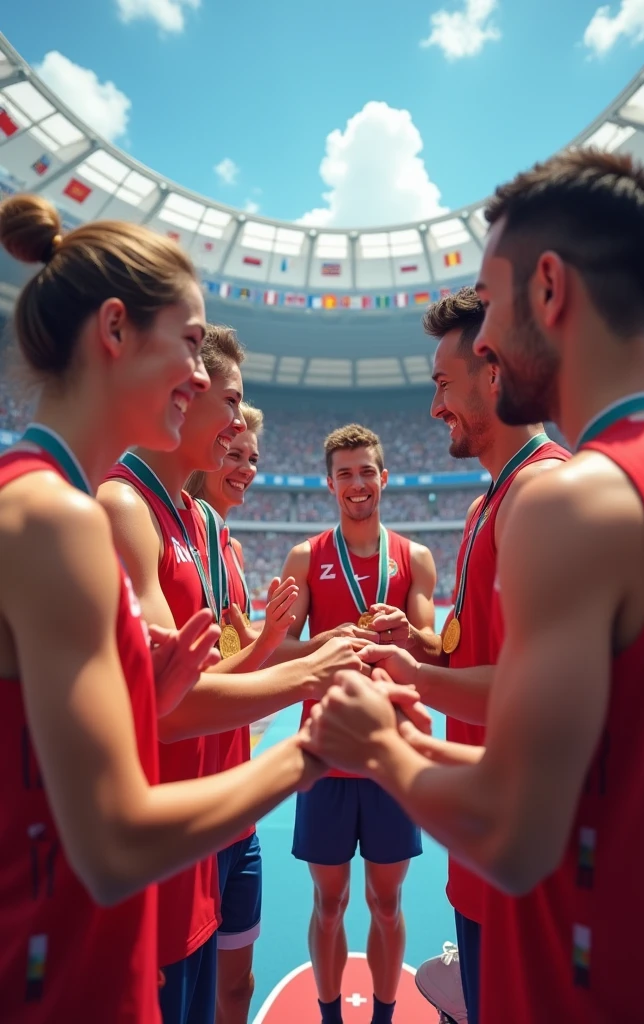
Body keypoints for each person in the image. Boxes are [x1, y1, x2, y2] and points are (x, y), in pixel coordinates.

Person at [305, 148, 644, 1023]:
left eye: (490, 304)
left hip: (568, 970)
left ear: (547, 289)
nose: (482, 342)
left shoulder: (571, 499)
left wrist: (380, 747)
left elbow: (517, 838)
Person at [0, 194, 325, 1024]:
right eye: (187, 344)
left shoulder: (44, 500)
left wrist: (160, 691)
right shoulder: (60, 517)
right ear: (114, 330)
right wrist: (313, 751)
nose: (198, 373)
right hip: (67, 980)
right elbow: (111, 848)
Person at [98, 341, 365, 1024]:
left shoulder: (203, 524)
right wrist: (308, 673)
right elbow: (166, 705)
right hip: (162, 832)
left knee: (221, 996)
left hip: (210, 817)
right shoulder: (122, 506)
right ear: (179, 397)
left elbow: (214, 670)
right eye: (232, 403)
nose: (240, 428)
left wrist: (292, 649)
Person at [364, 287, 569, 1024]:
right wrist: (422, 646)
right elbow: (485, 645)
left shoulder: (542, 493)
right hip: (482, 856)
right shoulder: (490, 502)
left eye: (442, 385)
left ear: (494, 372)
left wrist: (411, 683)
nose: (433, 409)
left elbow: (539, 695)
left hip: (524, 868)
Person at [281, 424, 437, 1024]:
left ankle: (383, 1017)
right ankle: (329, 1018)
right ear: (329, 484)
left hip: (390, 756)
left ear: (384, 478)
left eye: (365, 471)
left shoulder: (413, 558)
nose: (356, 484)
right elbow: (276, 653)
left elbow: (429, 651)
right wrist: (325, 643)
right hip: (323, 754)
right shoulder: (307, 557)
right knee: (329, 902)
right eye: (344, 473)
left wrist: (410, 632)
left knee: (387, 903)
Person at [186, 402, 266, 1024]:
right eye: (234, 453)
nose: (244, 468)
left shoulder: (229, 552)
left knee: (234, 986)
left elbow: (239, 664)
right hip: (192, 812)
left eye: (252, 458)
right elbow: (189, 690)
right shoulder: (171, 536)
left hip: (237, 808)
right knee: (188, 994)